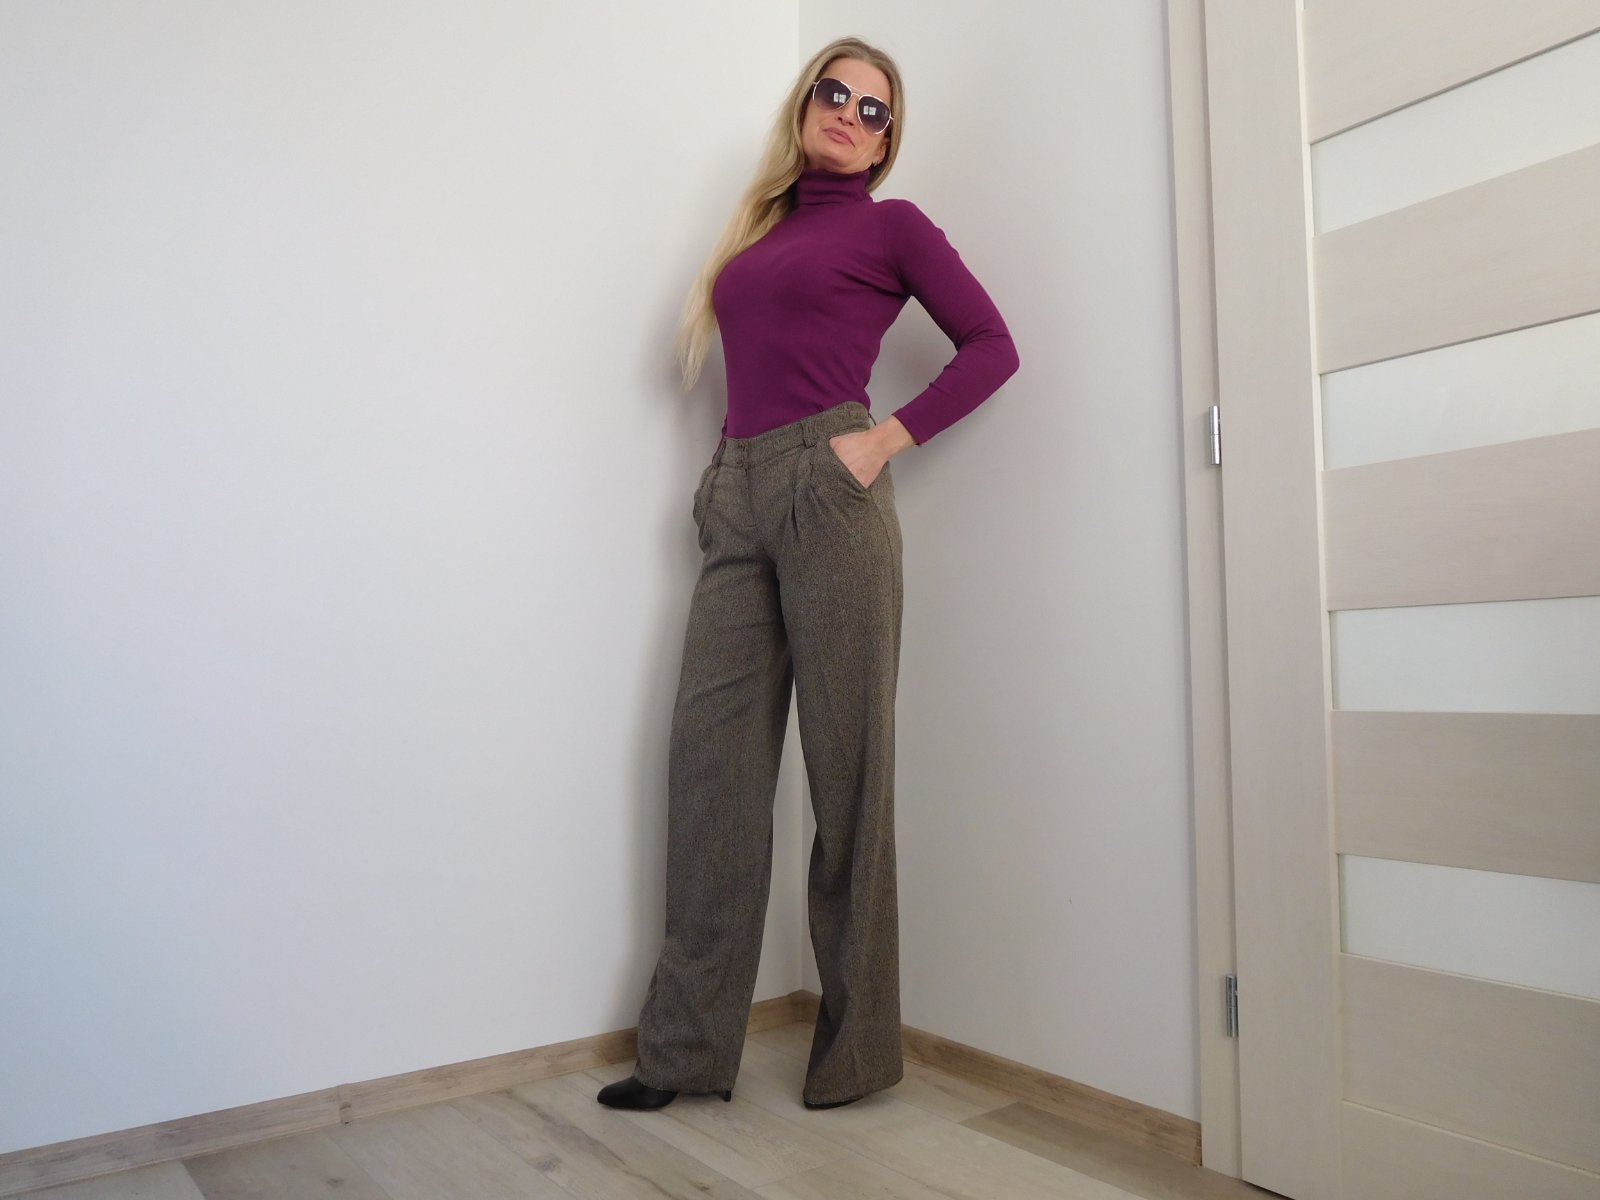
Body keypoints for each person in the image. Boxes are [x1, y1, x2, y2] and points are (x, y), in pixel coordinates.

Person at [597, 36, 1019, 1112]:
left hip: (831, 493)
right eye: (834, 93)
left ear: (886, 140)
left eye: (873, 109)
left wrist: (881, 442)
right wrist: (723, 476)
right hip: (739, 491)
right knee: (711, 771)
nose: (849, 113)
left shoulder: (892, 226)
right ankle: (685, 1053)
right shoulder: (762, 230)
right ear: (804, 104)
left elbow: (991, 345)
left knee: (848, 777)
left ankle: (856, 1054)